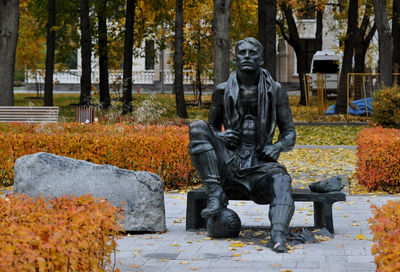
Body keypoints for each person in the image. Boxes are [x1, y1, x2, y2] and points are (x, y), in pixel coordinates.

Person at [188, 37, 296, 253]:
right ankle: (215, 192)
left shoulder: (275, 90)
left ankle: (277, 234)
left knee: (282, 181)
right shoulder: (221, 90)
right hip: (230, 159)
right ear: (235, 58)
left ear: (261, 59)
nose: (247, 56)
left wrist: (277, 147)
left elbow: (290, 133)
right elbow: (209, 128)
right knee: (196, 127)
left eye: (252, 53)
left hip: (260, 163)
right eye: (242, 52)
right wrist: (221, 136)